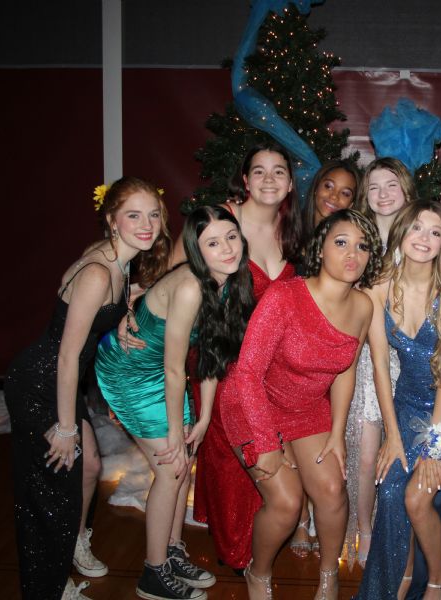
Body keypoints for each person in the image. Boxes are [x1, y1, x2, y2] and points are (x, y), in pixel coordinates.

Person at [5, 176, 169, 599]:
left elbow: (94, 305)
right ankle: (50, 585)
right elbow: (66, 355)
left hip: (59, 381)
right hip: (42, 383)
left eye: (153, 214)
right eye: (134, 215)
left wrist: (122, 315)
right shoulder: (98, 272)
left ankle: (72, 545)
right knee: (54, 488)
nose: (146, 224)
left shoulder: (119, 260)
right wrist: (65, 428)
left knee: (90, 467)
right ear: (112, 220)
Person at [222, 208, 380, 600]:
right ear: (320, 249)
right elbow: (248, 374)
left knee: (332, 489)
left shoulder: (363, 307)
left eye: (362, 246)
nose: (352, 254)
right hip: (252, 402)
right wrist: (266, 444)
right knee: (287, 503)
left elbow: (344, 370)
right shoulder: (285, 296)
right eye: (341, 242)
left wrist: (338, 433)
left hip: (307, 407)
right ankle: (258, 573)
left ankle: (329, 576)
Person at [97, 206, 253, 599]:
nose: (227, 249)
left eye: (231, 237)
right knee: (171, 467)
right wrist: (173, 432)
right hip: (130, 372)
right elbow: (173, 368)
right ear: (197, 252)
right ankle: (152, 573)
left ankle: (170, 550)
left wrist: (203, 418)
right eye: (212, 243)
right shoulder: (190, 288)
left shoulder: (229, 282)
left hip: (162, 373)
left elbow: (213, 352)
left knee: (183, 463)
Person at [357, 200, 441, 600]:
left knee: (416, 498)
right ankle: (400, 579)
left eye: (435, 232)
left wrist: (434, 444)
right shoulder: (378, 289)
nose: (424, 239)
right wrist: (393, 437)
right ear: (401, 232)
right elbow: (381, 367)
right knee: (390, 493)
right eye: (416, 228)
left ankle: (439, 580)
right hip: (408, 404)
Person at [185, 142, 303, 571]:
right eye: (259, 171)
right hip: (223, 359)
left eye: (279, 171)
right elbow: (174, 271)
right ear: (245, 180)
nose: (269, 179)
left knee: (270, 452)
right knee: (229, 452)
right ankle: (237, 549)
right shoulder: (222, 218)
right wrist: (133, 307)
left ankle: (263, 535)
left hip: (270, 365)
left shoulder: (293, 229)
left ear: (290, 183)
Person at [344, 156, 416, 567]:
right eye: (374, 187)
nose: (383, 194)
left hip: (411, 358)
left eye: (391, 185)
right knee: (367, 454)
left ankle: (398, 528)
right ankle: (365, 528)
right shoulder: (358, 239)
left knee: (405, 451)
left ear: (406, 189)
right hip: (369, 361)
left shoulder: (420, 235)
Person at [293, 158, 360, 557]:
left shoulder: (351, 247)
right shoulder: (291, 237)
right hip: (290, 360)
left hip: (331, 360)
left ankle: (320, 519)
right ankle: (301, 519)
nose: (334, 196)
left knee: (323, 449)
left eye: (346, 192)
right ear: (315, 188)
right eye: (328, 186)